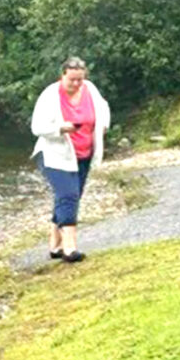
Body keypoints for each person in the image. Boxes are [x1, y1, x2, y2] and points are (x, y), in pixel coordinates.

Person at [30, 56, 111, 263]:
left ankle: (54, 246)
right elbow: (36, 127)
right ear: (62, 76)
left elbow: (103, 109)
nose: (76, 84)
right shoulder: (50, 95)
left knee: (69, 197)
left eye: (79, 80)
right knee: (68, 194)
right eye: (71, 80)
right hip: (54, 155)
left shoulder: (91, 90)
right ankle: (70, 248)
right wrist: (60, 128)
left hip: (83, 154)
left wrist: (103, 126)